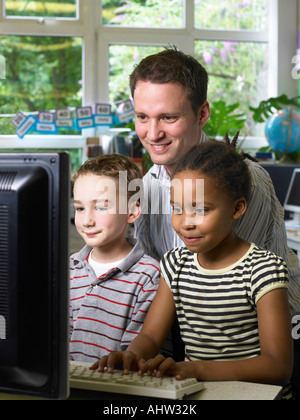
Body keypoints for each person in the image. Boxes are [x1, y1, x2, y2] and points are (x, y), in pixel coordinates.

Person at [94, 140, 293, 397]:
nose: (186, 223)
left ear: (237, 208)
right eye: (176, 209)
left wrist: (195, 369)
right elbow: (152, 337)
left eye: (200, 210)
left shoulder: (264, 271)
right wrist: (131, 356)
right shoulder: (175, 265)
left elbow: (277, 366)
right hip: (199, 392)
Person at [131, 47, 300, 316]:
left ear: (202, 114)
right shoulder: (147, 184)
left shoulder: (242, 180)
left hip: (258, 331)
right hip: (189, 330)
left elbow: (224, 294)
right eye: (142, 117)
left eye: (168, 117)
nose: (152, 133)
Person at [69, 154, 160, 363]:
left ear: (132, 211)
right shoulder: (70, 268)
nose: (87, 220)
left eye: (100, 207)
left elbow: (137, 355)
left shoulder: (149, 276)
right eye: (80, 208)